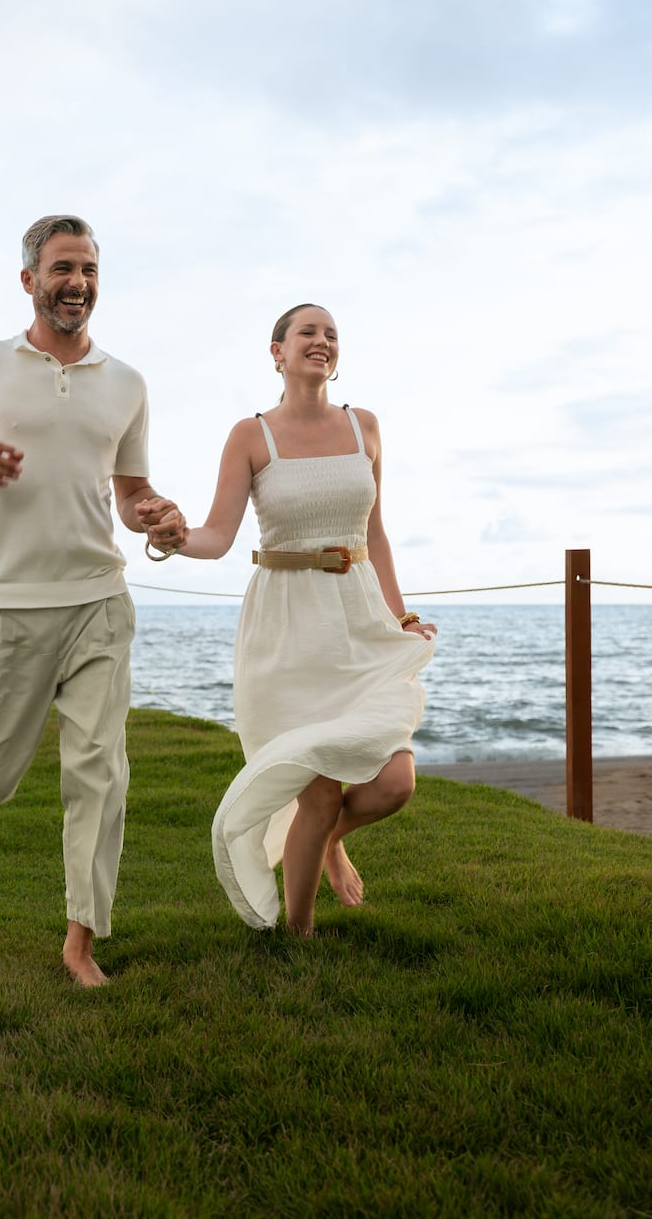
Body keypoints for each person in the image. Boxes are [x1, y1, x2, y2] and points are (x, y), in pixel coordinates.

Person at [0, 214, 184, 987]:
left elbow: (130, 493)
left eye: (90, 269)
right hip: (7, 603)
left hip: (99, 598)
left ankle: (80, 940)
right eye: (63, 268)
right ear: (29, 279)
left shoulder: (127, 384)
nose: (78, 283)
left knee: (101, 771)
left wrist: (157, 515)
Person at [151, 303, 437, 934]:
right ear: (276, 351)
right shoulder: (251, 436)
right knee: (317, 789)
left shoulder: (365, 426)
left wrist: (402, 616)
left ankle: (330, 840)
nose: (322, 341)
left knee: (393, 781)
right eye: (307, 332)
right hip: (284, 629)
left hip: (358, 620)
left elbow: (377, 534)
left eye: (331, 334)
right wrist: (175, 538)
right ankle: (299, 935)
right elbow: (218, 536)